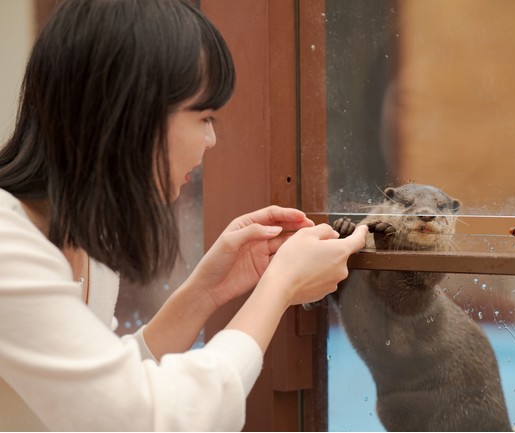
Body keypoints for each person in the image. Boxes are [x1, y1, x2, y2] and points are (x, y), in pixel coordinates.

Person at [0, 0, 368, 430]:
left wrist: (205, 293)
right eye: (205, 116)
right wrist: (279, 286)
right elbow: (145, 418)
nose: (211, 139)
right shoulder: (9, 246)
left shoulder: (79, 240)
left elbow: (94, 396)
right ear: (132, 114)